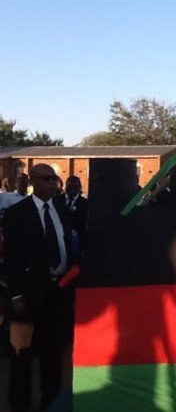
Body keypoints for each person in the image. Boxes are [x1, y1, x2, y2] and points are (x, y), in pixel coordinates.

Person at [3, 164, 77, 411]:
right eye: (47, 179)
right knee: (23, 354)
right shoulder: (17, 214)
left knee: (52, 353)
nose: (53, 184)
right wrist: (16, 295)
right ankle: (20, 403)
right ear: (33, 180)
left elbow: (68, 244)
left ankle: (51, 401)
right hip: (28, 293)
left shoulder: (61, 209)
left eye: (55, 179)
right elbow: (11, 260)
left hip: (58, 292)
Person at [57, 176, 89, 252]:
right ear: (65, 187)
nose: (72, 189)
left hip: (78, 243)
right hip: (60, 241)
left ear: (80, 188)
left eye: (75, 187)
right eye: (70, 186)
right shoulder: (57, 200)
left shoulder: (86, 203)